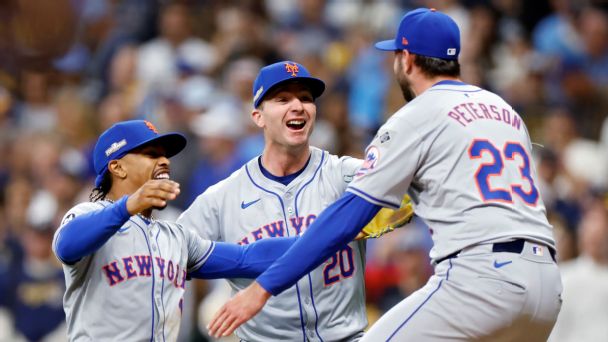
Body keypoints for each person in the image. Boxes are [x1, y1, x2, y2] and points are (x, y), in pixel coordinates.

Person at [207, 8, 563, 341]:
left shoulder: (417, 115)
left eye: (395, 55)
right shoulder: (504, 110)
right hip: (546, 286)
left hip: (481, 279)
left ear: (406, 59)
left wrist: (262, 287)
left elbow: (346, 218)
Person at [51, 120, 300, 341]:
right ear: (117, 167)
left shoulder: (175, 236)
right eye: (151, 154)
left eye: (165, 155)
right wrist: (127, 207)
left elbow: (248, 258)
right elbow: (66, 245)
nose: (164, 161)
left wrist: (323, 240)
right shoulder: (87, 215)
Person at [179, 61, 368, 341]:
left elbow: (407, 196)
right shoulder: (224, 197)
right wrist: (242, 262)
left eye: (306, 98)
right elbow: (173, 253)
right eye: (282, 99)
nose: (298, 106)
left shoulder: (346, 176)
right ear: (258, 116)